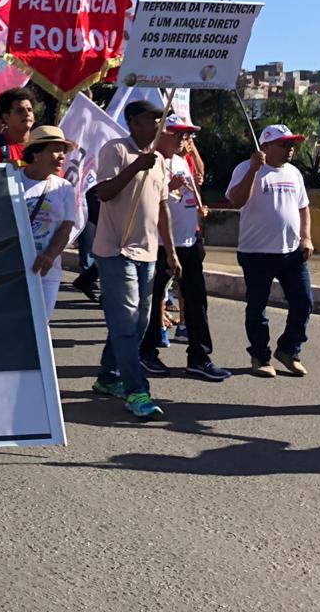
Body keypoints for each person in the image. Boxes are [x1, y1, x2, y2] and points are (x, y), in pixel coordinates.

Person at [90, 100, 179, 419]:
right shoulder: (115, 150)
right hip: (117, 251)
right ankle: (136, 391)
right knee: (126, 323)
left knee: (139, 323)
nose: (158, 124)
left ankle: (108, 376)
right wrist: (135, 167)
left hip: (148, 253)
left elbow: (163, 207)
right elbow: (103, 193)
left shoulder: (160, 160)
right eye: (151, 119)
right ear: (133, 122)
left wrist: (171, 251)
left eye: (160, 118)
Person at [136, 116, 228, 381]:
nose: (184, 140)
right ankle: (146, 351)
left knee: (197, 301)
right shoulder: (150, 161)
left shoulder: (180, 161)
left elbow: (189, 194)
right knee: (152, 301)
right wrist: (168, 187)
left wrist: (199, 215)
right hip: (159, 245)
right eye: (178, 134)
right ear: (162, 134)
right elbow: (142, 202)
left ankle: (199, 357)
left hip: (188, 243)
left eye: (187, 135)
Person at [225, 124, 314, 378]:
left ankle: (289, 350)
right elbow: (236, 201)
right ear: (265, 146)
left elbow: (303, 207)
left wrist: (306, 237)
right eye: (284, 145)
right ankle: (260, 356)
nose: (290, 149)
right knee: (257, 307)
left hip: (291, 251)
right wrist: (254, 169)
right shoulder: (246, 168)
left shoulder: (294, 173)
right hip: (256, 253)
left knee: (303, 302)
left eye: (292, 145)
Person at [15, 126, 77, 314]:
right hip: (12, 269)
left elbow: (66, 227)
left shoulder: (65, 188)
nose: (62, 156)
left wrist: (49, 255)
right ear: (36, 153)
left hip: (45, 272)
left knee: (41, 323)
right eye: (55, 150)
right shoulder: (11, 180)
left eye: (63, 151)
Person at [0, 88, 35, 165]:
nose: (27, 114)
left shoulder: (44, 146)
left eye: (30, 110)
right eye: (20, 111)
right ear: (6, 118)